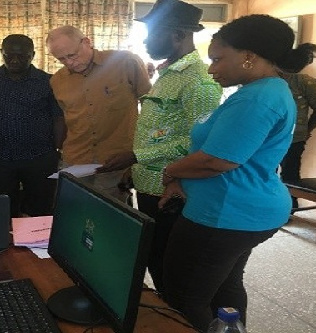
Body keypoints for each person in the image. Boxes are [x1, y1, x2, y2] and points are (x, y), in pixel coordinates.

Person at [156, 15, 299, 331]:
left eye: (218, 59)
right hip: (243, 208)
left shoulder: (257, 97)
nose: (211, 69)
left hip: (225, 214)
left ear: (248, 56)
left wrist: (169, 171)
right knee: (226, 288)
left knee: (182, 297)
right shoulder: (265, 90)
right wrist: (180, 178)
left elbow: (216, 161)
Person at [96, 0, 222, 296]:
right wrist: (135, 167)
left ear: (178, 34)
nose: (145, 40)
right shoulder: (167, 75)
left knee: (173, 268)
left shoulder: (199, 82)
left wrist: (137, 155)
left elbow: (198, 141)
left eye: (153, 33)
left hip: (173, 190)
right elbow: (157, 133)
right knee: (154, 258)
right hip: (149, 184)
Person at [0, 34, 66, 217]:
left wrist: (57, 149)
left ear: (32, 55)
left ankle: (37, 244)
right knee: (0, 209)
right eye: (9, 55)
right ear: (1, 52)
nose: (14, 60)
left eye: (21, 56)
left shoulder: (48, 81)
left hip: (39, 156)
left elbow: (58, 117)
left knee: (41, 208)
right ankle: (6, 244)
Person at [46, 25, 152, 199]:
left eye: (72, 55)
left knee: (109, 215)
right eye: (62, 59)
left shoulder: (125, 62)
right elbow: (68, 119)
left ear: (87, 42)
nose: (69, 63)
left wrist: (139, 154)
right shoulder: (57, 80)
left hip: (116, 159)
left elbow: (150, 105)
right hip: (76, 159)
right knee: (75, 212)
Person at [277, 43, 316, 209]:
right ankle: (268, 208)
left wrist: (307, 130)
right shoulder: (267, 82)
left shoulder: (306, 83)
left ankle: (288, 209)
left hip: (294, 138)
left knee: (289, 175)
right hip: (266, 137)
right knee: (264, 173)